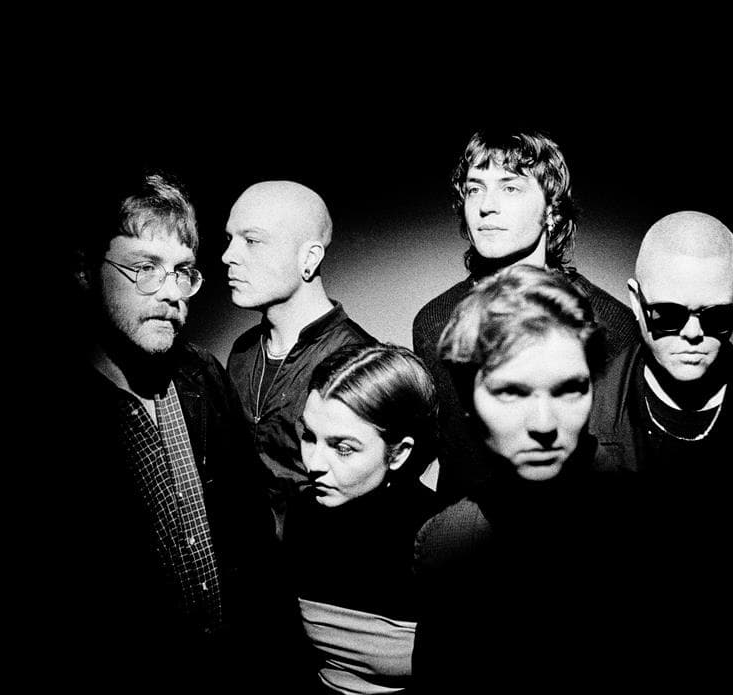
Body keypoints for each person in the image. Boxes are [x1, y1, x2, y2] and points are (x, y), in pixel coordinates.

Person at [57, 172, 309, 685]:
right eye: (145, 268)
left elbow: (254, 537)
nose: (172, 292)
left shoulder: (202, 375)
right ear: (85, 271)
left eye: (183, 271)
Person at [588, 210, 733, 686]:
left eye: (716, 316)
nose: (693, 333)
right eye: (669, 314)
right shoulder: (581, 424)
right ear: (635, 302)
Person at [412, 264, 624, 691]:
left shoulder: (656, 525)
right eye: (511, 392)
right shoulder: (446, 542)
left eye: (569, 389)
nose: (544, 424)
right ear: (467, 402)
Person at [412, 127, 638, 503]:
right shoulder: (436, 322)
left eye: (510, 187)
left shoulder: (610, 324)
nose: (487, 205)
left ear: (551, 209)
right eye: (474, 188)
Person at [285, 344, 441, 694]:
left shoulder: (441, 536)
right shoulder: (304, 514)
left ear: (398, 453)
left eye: (343, 448)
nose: (314, 464)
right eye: (309, 437)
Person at [223, 181, 374, 536]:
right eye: (229, 239)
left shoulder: (357, 360)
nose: (228, 256)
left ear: (309, 258)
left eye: (251, 240)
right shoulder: (243, 351)